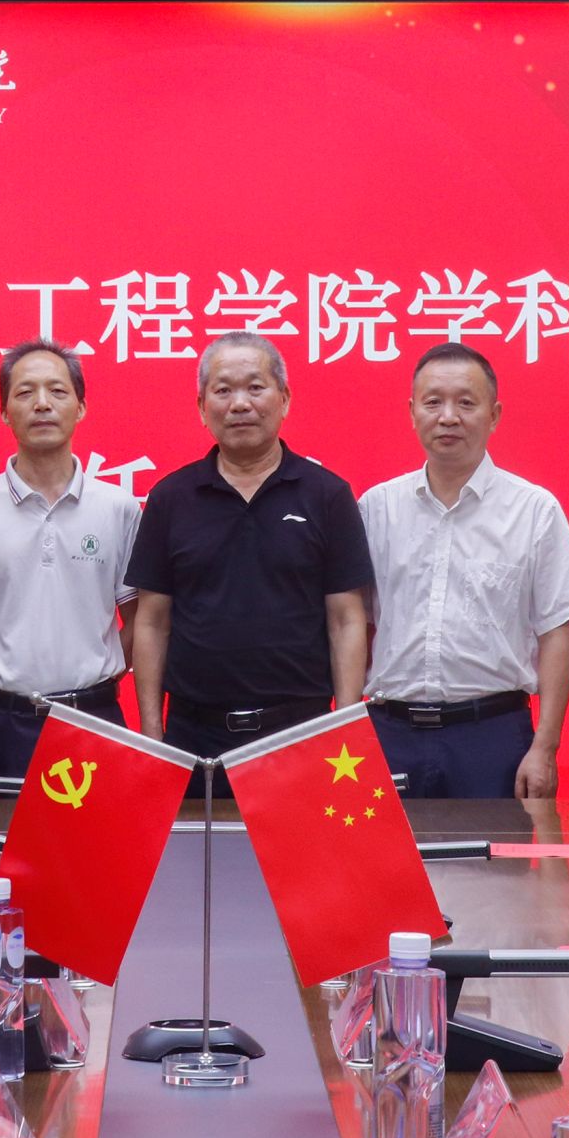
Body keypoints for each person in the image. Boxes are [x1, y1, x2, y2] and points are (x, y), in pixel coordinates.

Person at [126, 333, 372, 797]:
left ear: (284, 399)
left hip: (300, 732)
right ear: (202, 407)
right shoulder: (170, 499)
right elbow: (153, 623)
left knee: (300, 847)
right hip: (193, 737)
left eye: (255, 388)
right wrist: (153, 735)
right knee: (195, 848)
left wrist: (343, 727)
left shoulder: (327, 495)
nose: (240, 404)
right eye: (223, 390)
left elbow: (346, 620)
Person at [361, 342, 569, 798]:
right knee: (385, 849)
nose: (448, 417)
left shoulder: (534, 510)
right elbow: (355, 625)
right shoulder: (376, 508)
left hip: (492, 735)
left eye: (466, 403)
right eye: (433, 402)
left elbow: (556, 634)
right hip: (390, 733)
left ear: (494, 414)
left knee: (495, 849)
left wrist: (545, 747)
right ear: (412, 412)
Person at [0, 340, 140, 797]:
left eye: (57, 391)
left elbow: (141, 619)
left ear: (81, 407)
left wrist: (100, 680)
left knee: (103, 841)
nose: (42, 404)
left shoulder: (118, 508)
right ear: (4, 412)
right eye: (25, 392)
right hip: (0, 727)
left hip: (94, 720)